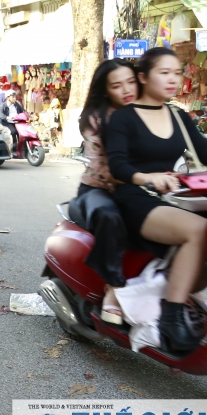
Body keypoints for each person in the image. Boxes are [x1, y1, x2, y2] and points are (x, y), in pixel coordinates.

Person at [106, 47, 207, 352]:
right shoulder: (124, 117)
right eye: (164, 73)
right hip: (134, 198)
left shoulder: (179, 115)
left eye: (177, 73)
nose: (173, 79)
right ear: (143, 76)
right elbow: (117, 165)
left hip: (172, 198)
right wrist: (147, 178)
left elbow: (206, 154)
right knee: (196, 230)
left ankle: (146, 298)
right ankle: (171, 317)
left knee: (202, 271)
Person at [71, 59, 138, 325]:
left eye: (131, 82)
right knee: (110, 216)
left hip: (137, 188)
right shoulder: (95, 118)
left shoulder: (149, 112)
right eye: (117, 85)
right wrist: (143, 180)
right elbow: (101, 168)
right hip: (97, 190)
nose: (126, 89)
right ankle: (113, 287)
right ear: (105, 90)